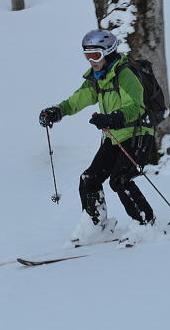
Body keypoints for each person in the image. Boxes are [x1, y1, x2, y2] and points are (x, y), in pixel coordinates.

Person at [38, 28, 156, 244]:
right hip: (114, 136)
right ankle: (94, 225)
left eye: (95, 55)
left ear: (108, 53)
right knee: (89, 179)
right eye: (87, 55)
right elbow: (78, 99)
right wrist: (58, 111)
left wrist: (111, 118)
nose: (91, 61)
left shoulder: (125, 74)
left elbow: (135, 107)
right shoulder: (96, 79)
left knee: (120, 179)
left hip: (138, 133)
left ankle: (145, 223)